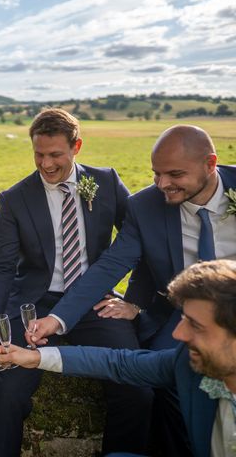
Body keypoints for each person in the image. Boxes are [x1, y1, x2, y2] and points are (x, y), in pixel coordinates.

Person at [30, 124, 236, 455]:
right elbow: (109, 266)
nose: (162, 184)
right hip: (183, 314)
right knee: (167, 381)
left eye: (174, 174)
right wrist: (57, 319)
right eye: (156, 173)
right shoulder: (145, 206)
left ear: (210, 165)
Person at [0, 108, 152, 456]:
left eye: (55, 155)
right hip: (35, 305)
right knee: (8, 391)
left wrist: (135, 301)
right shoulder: (14, 198)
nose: (46, 164)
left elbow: (142, 241)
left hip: (94, 304)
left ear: (77, 147)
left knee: (136, 386)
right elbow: (0, 267)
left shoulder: (107, 182)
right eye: (39, 154)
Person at [0, 259, 236, 457]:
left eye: (195, 325)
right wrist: (34, 357)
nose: (178, 334)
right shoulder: (184, 362)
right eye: (183, 320)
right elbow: (118, 363)